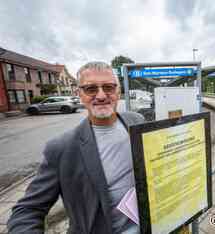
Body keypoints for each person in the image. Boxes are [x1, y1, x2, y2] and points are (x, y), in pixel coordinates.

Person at [7, 61, 144, 234]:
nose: (101, 95)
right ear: (79, 94)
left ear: (118, 91)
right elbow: (27, 210)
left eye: (108, 87)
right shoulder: (62, 148)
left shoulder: (136, 120)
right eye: (91, 89)